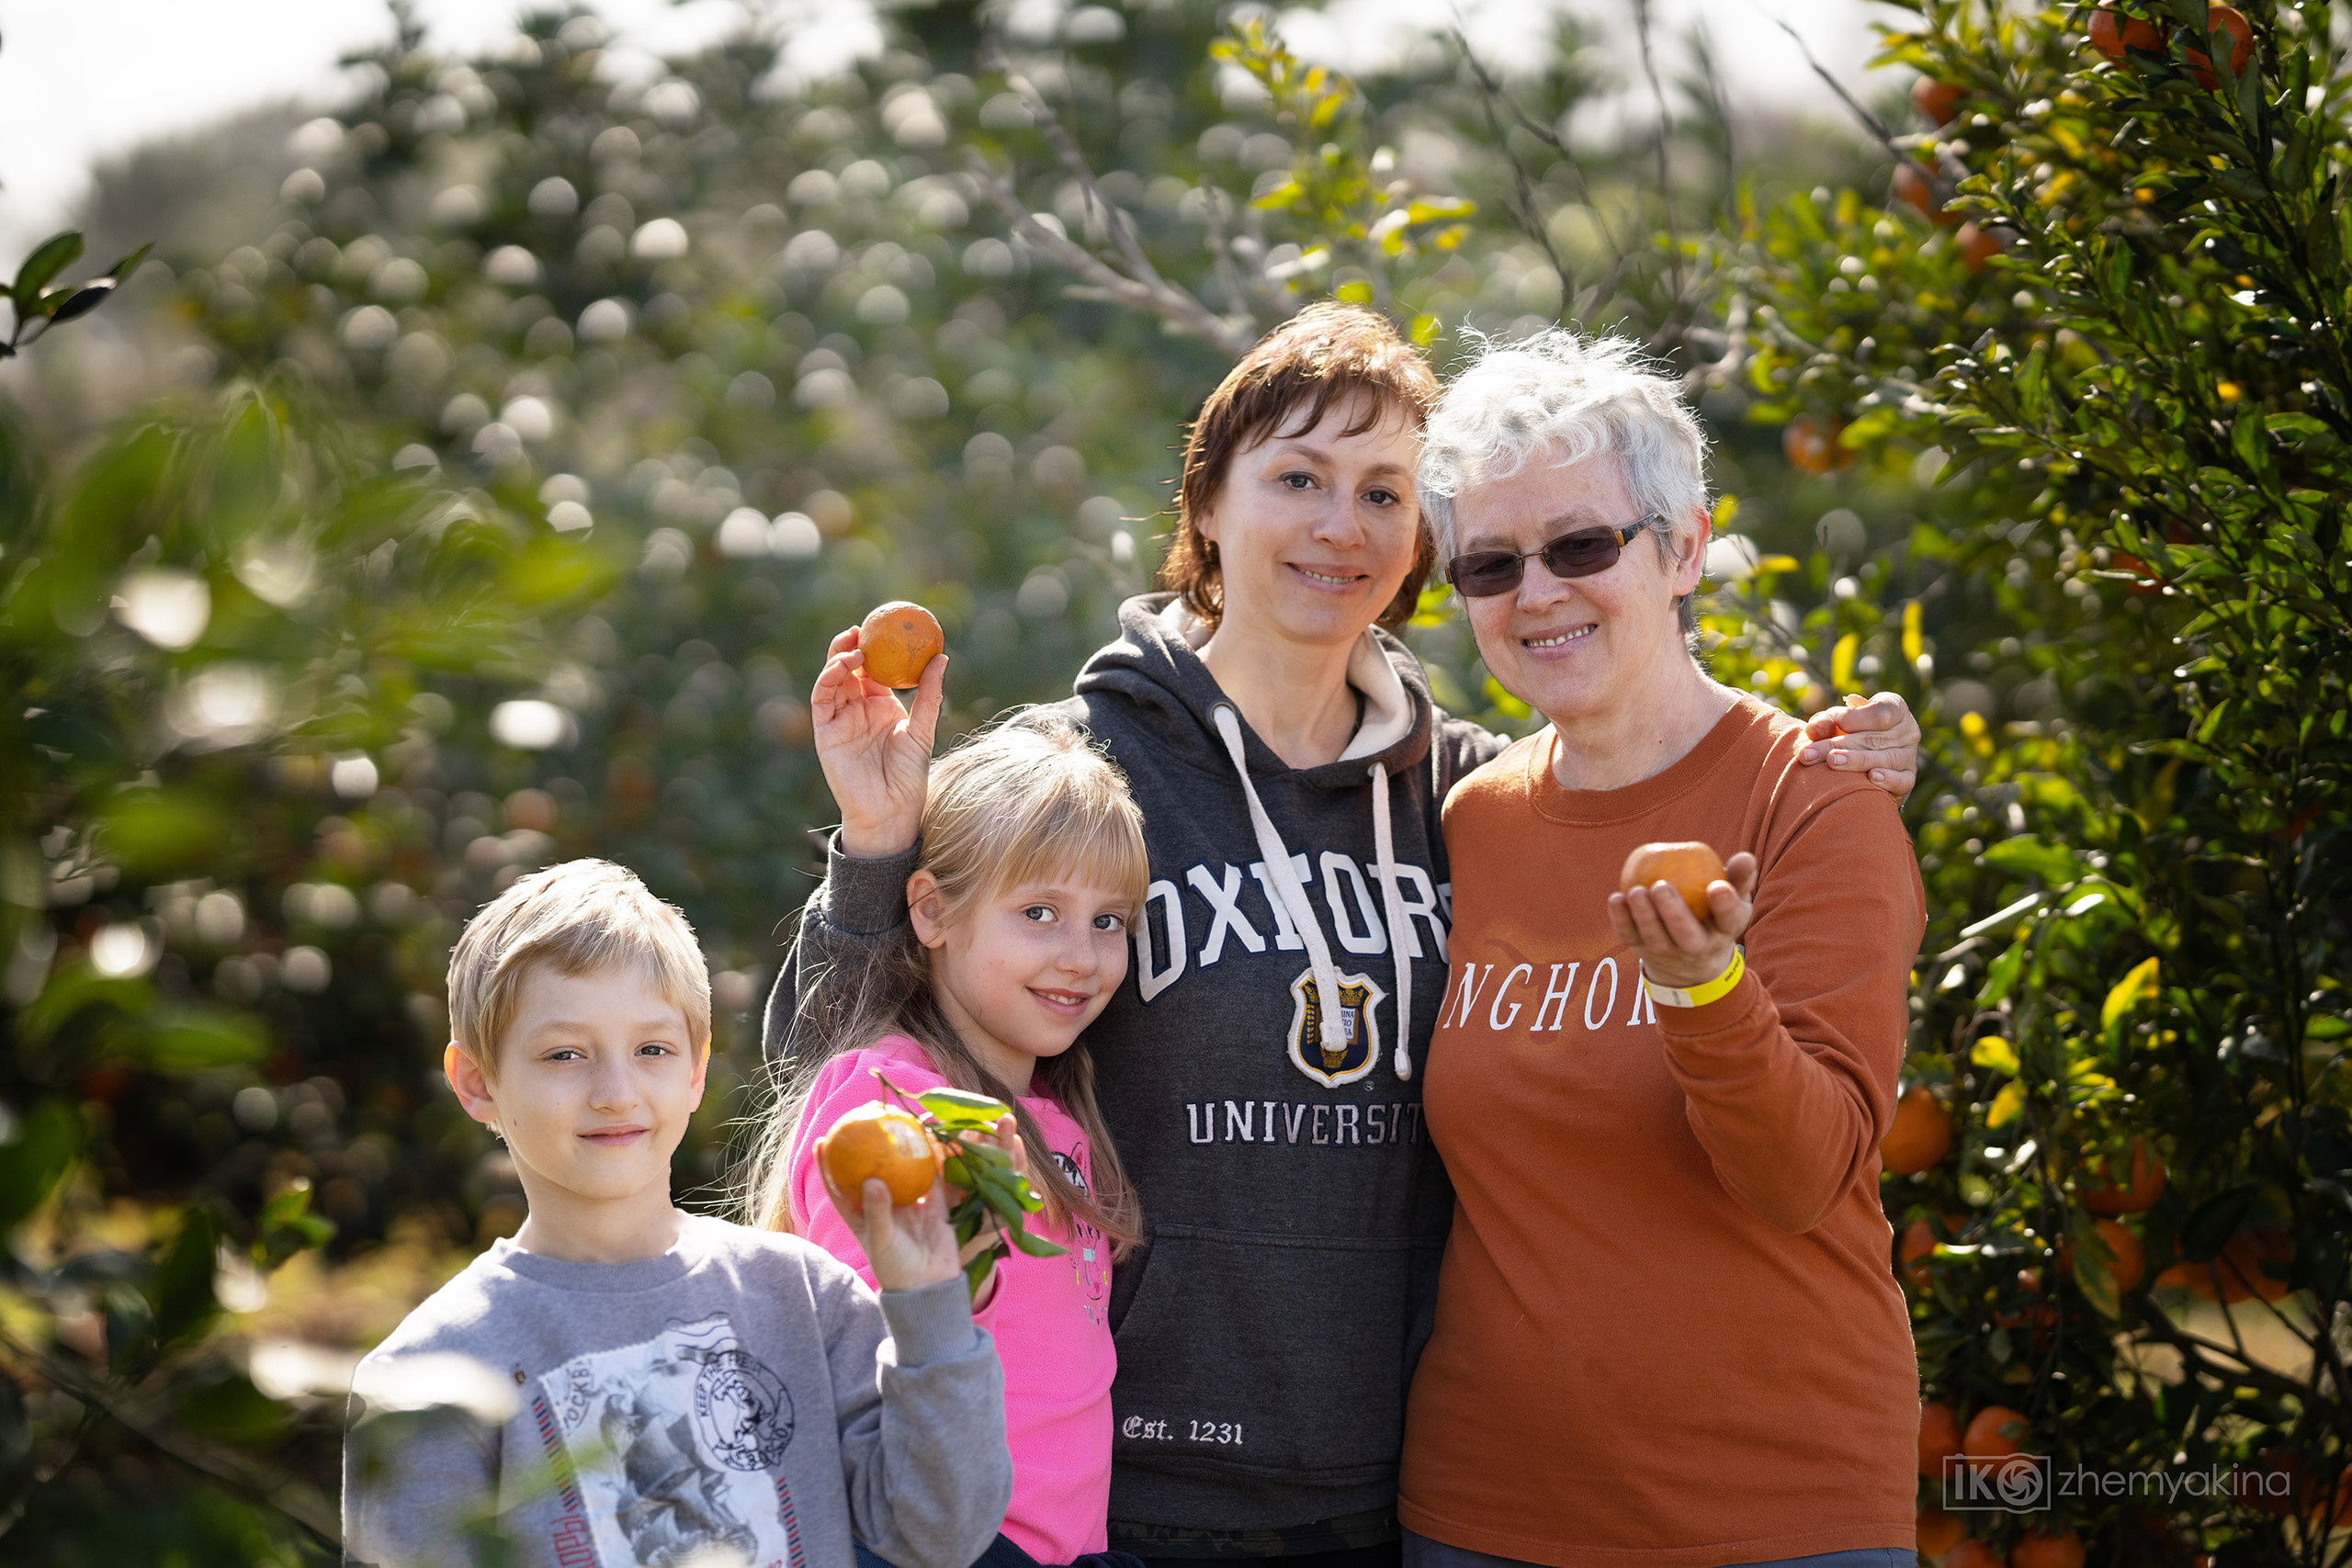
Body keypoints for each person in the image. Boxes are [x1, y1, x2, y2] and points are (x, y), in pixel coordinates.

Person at [765, 304, 1922, 1568]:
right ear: (1207, 504)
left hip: (1393, 1484)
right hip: (1134, 1475)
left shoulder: (1460, 796)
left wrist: (1826, 758)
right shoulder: (1082, 776)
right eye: (1298, 479)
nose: (1340, 524)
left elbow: (1646, 773)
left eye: (1384, 492)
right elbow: (837, 1079)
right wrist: (878, 848)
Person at [1396, 330, 1926, 1568]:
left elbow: (1803, 1177)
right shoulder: (1471, 819)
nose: (1537, 593)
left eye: (1583, 545)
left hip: (1774, 1515)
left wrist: (1707, 988)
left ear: (1683, 546)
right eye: (1489, 563)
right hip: (1478, 1515)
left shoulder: (1816, 801)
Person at [343, 859, 1012, 1568]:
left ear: (696, 1069)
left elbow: (942, 1534)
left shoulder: (806, 1299)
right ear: (477, 1083)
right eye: (565, 1053)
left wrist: (932, 1307)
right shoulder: (429, 1371)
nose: (616, 1090)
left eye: (652, 1049)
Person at [743, 713, 1149, 1568]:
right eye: (1040, 912)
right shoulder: (886, 1102)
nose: (1082, 956)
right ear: (931, 910)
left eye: (1109, 921)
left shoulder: (1061, 1118)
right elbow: (860, 1361)